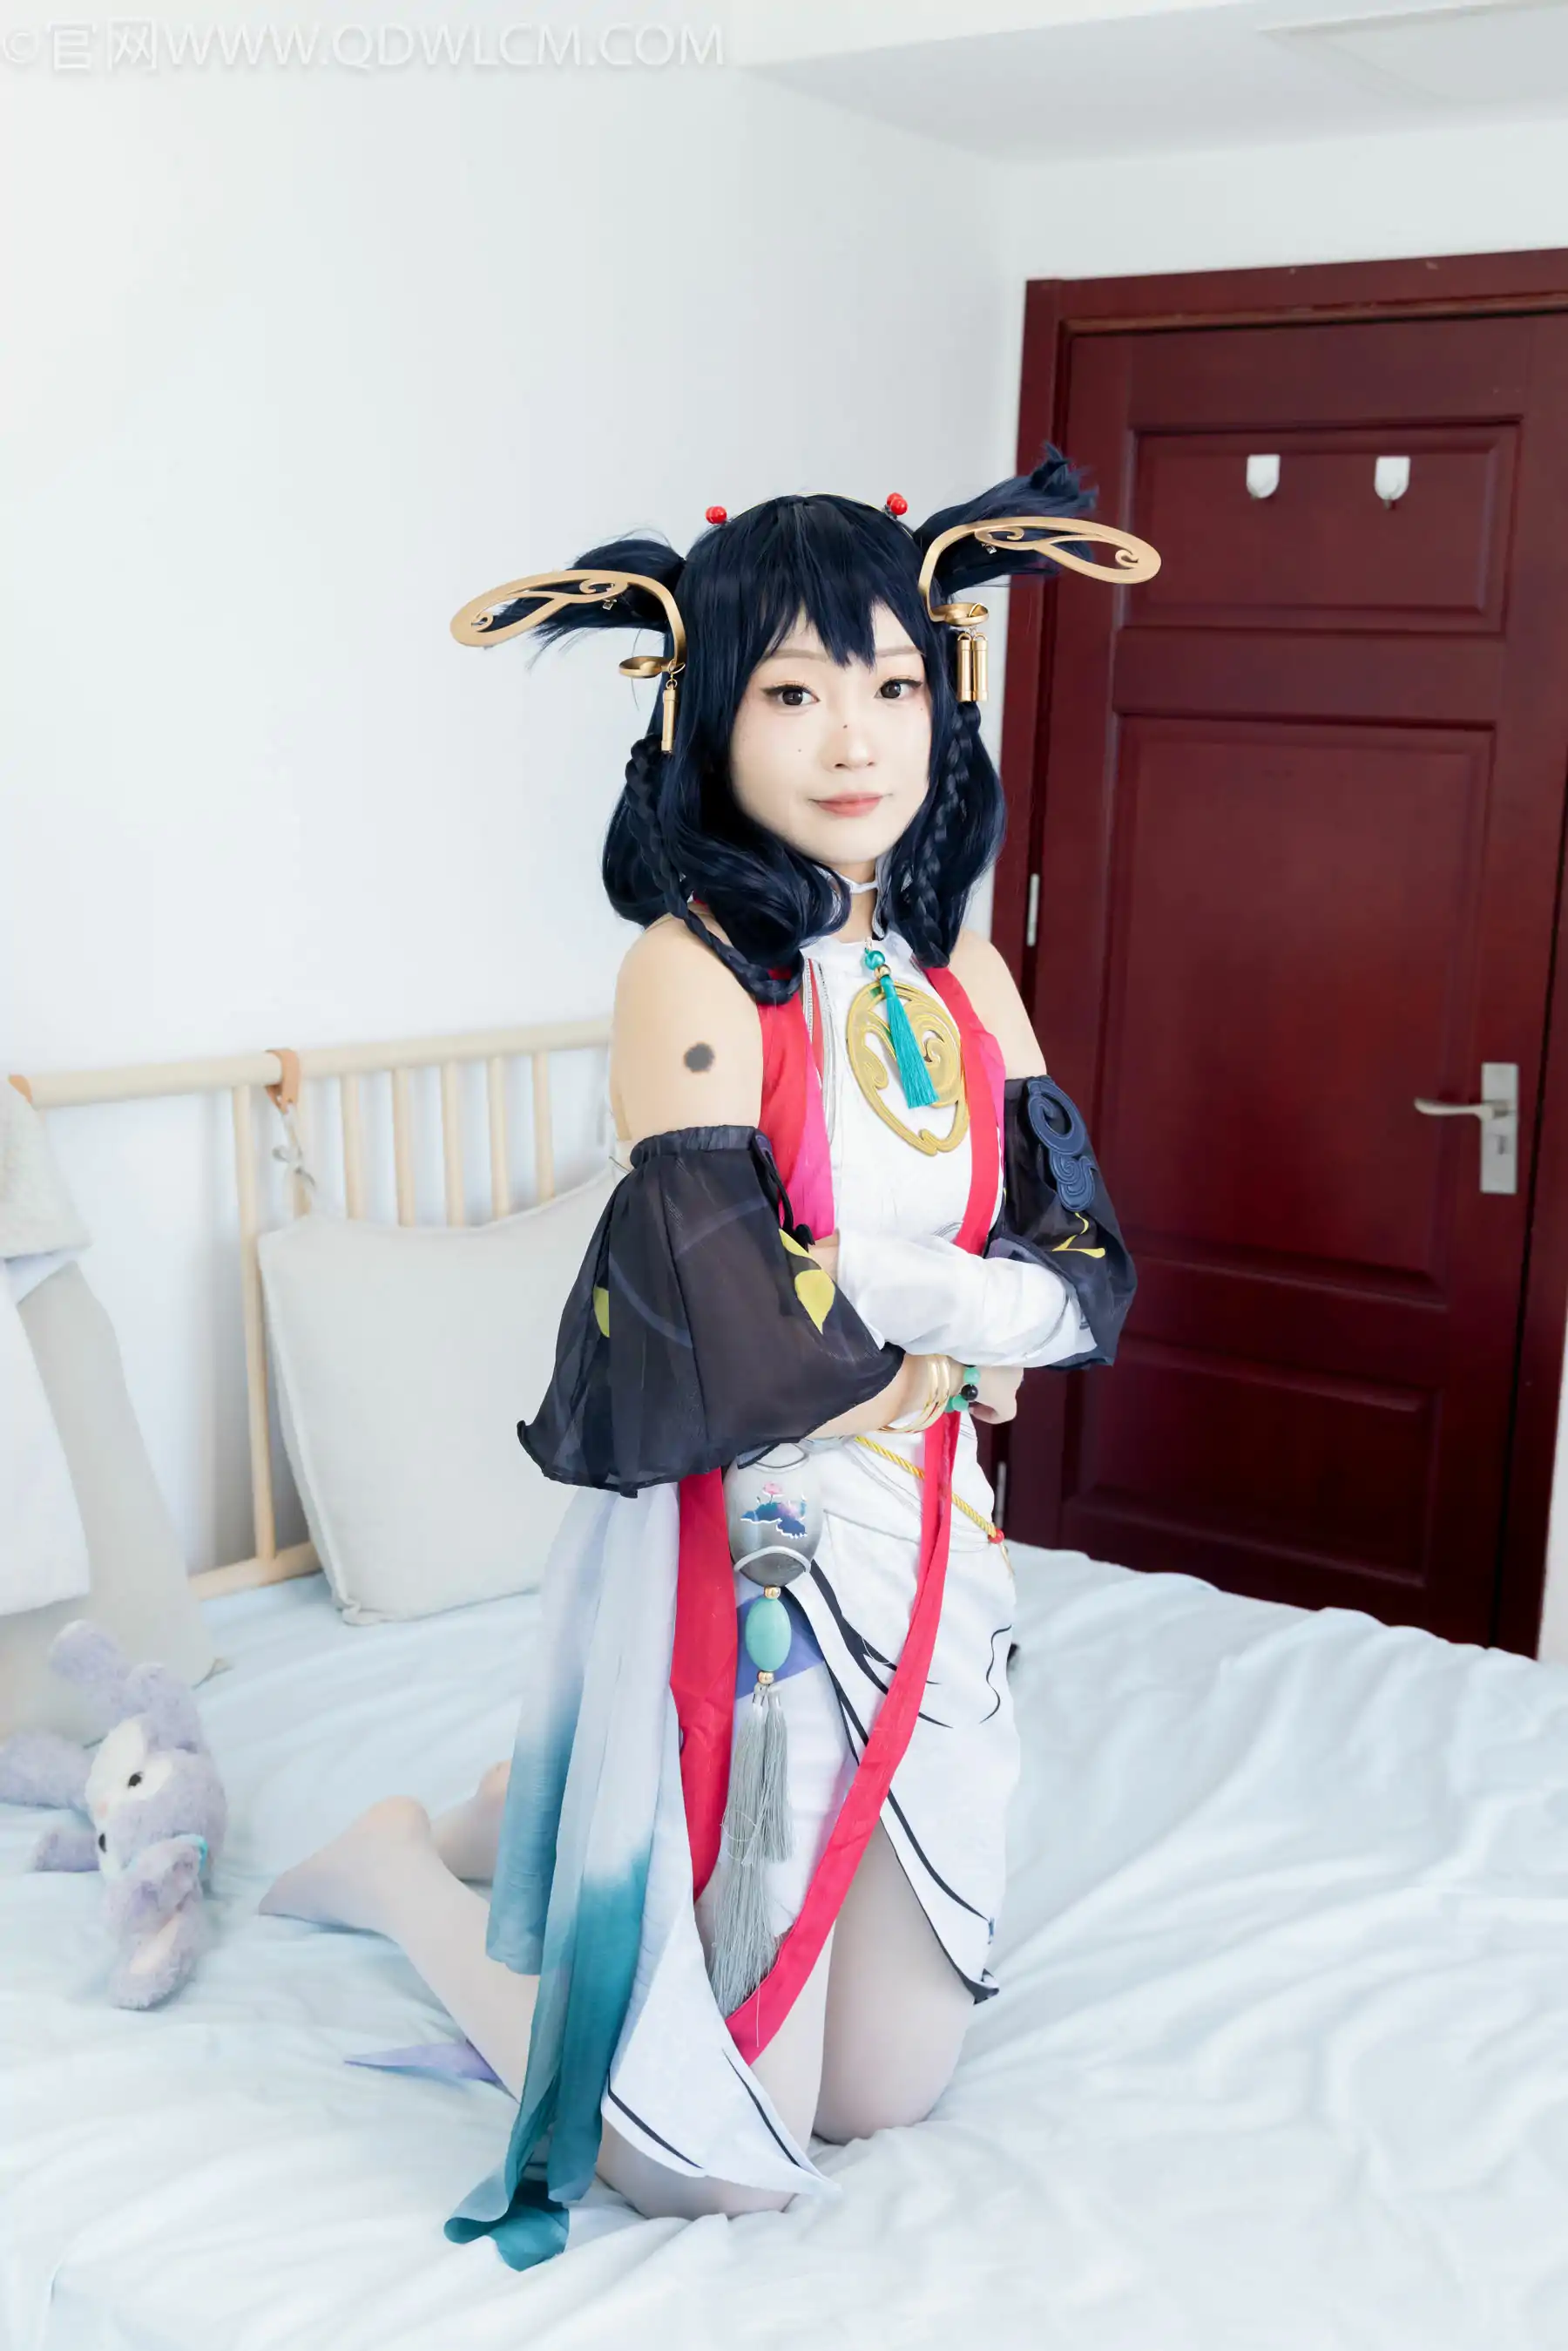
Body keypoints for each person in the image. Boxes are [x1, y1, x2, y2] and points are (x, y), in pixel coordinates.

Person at [260, 449, 1156, 2270]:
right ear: (707, 714)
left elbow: (1083, 1274)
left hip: (933, 1550)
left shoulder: (962, 971)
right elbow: (728, 1304)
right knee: (713, 2164)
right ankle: (396, 1870)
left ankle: (508, 1812)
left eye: (892, 683)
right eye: (796, 691)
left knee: (887, 2090)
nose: (857, 737)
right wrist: (949, 1330)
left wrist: (903, 1291)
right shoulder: (691, 968)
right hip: (753, 1564)